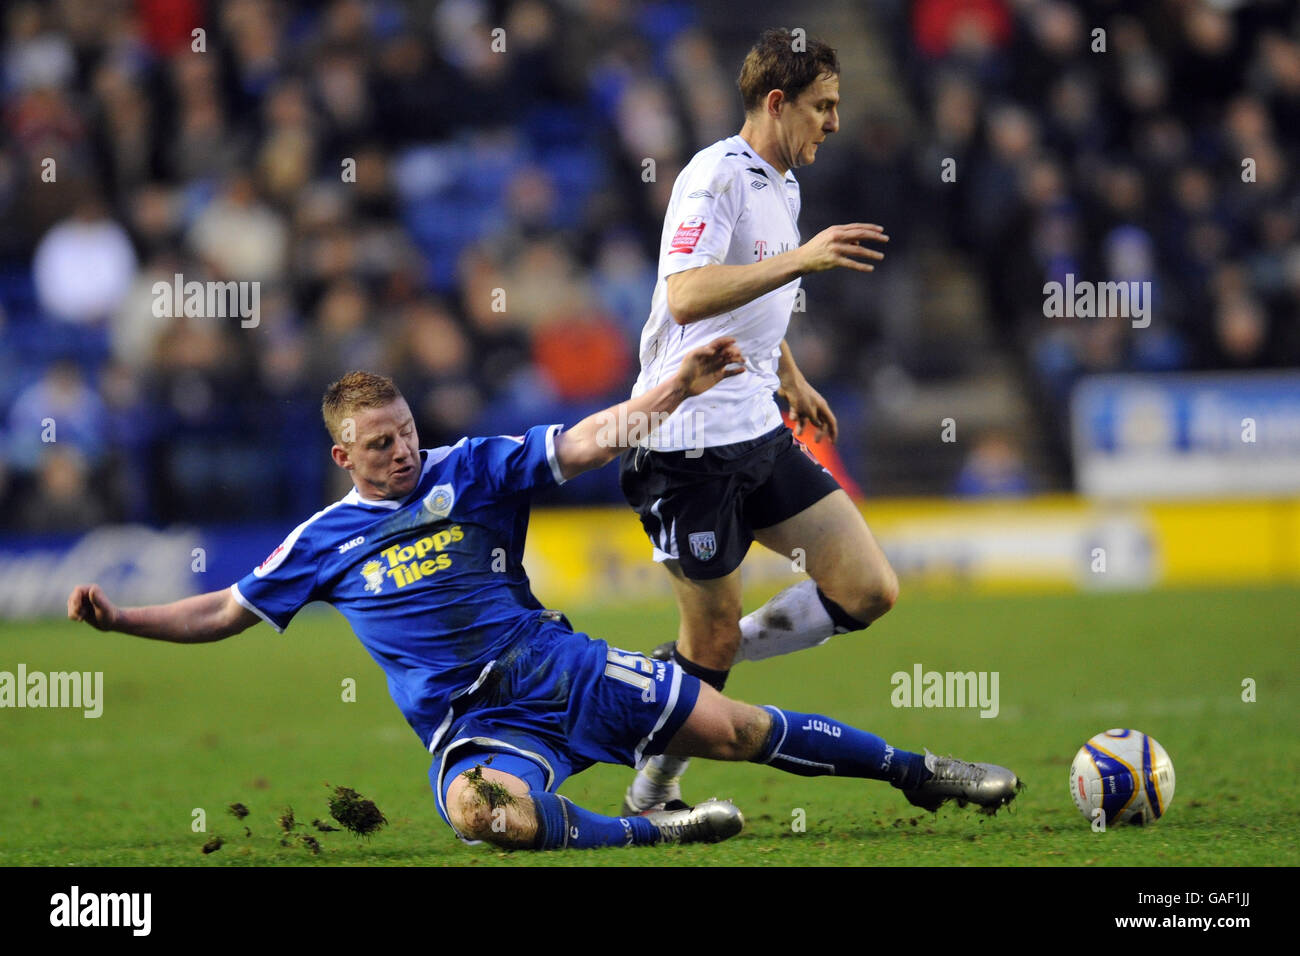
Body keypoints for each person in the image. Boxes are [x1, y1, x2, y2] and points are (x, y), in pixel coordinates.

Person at [67, 339, 1019, 851]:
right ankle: (652, 836)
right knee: (489, 817)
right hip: (476, 729)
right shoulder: (320, 543)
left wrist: (669, 395)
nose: (402, 451)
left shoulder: (470, 469)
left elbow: (586, 439)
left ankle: (920, 771)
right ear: (341, 457)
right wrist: (123, 620)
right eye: (380, 444)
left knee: (734, 729)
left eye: (404, 432)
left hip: (560, 667)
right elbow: (222, 609)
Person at [619, 28, 900, 813]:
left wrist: (791, 376)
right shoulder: (715, 176)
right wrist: (801, 260)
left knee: (868, 589)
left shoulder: (786, 184)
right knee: (710, 645)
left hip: (757, 432)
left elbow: (751, 308)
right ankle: (651, 794)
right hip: (685, 448)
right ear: (777, 103)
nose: (834, 123)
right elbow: (686, 295)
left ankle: (673, 671)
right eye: (823, 107)